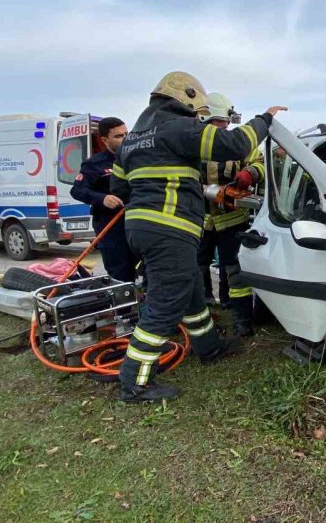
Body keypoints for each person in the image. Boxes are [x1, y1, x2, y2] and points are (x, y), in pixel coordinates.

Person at [110, 70, 286, 403]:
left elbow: (118, 187)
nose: (199, 117)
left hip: (140, 227)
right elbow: (237, 143)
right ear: (186, 99)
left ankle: (209, 348)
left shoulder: (133, 138)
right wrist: (265, 119)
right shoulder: (179, 128)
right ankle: (134, 383)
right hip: (170, 228)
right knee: (165, 302)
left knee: (190, 288)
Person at [196, 92, 265, 338]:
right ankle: (202, 310)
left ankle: (241, 320)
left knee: (234, 270)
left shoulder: (237, 142)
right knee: (196, 267)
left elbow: (259, 162)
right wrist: (208, 191)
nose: (223, 127)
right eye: (218, 122)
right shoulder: (191, 142)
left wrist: (250, 174)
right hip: (200, 221)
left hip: (232, 218)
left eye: (225, 122)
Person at [70, 117, 137, 282]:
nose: (125, 139)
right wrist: (102, 198)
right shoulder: (94, 164)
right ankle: (123, 307)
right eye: (118, 136)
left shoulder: (136, 159)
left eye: (126, 134)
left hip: (136, 223)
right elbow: (77, 190)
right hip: (111, 226)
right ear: (105, 140)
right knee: (120, 273)